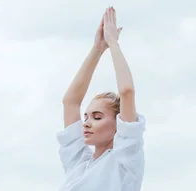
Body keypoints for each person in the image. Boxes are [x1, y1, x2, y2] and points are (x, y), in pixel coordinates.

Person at [57, 7, 146, 191]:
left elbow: (127, 91)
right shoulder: (78, 165)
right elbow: (70, 102)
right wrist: (97, 48)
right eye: (86, 117)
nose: (87, 123)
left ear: (118, 125)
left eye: (97, 117)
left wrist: (113, 43)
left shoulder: (125, 162)